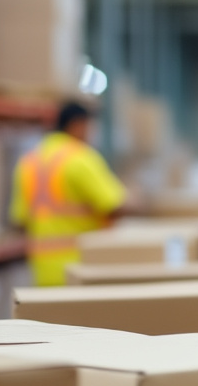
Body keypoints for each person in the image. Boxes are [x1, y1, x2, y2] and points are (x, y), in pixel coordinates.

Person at [9, 101, 128, 286]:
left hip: (42, 270)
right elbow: (114, 205)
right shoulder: (80, 158)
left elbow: (19, 220)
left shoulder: (28, 162)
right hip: (80, 267)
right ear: (77, 124)